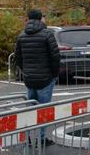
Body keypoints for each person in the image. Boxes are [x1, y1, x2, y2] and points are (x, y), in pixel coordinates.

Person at [14, 8, 60, 145]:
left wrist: (26, 71)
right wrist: (54, 74)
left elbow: (18, 58)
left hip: (29, 78)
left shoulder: (21, 36)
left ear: (28, 19)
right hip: (46, 78)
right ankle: (41, 138)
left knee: (30, 109)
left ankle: (27, 138)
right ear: (41, 19)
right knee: (43, 110)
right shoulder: (47, 35)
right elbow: (55, 56)